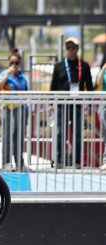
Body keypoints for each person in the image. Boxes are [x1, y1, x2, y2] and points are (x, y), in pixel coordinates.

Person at [50, 37, 93, 168]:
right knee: (60, 133)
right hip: (61, 105)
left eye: (73, 47)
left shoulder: (84, 65)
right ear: (65, 49)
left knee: (78, 134)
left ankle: (78, 161)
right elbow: (53, 86)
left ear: (78, 49)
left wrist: (89, 105)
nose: (71, 50)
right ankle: (59, 161)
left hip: (78, 105)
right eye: (68, 48)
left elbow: (89, 86)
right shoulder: (59, 66)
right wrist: (52, 103)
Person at [0, 48, 29, 172]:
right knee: (8, 137)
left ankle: (20, 163)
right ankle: (6, 163)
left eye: (16, 63)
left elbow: (26, 92)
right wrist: (8, 74)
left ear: (20, 64)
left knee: (19, 138)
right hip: (8, 110)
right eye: (11, 63)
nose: (14, 65)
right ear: (8, 63)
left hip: (21, 110)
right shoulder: (4, 75)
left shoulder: (23, 77)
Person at [96, 58, 106, 171]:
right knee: (105, 133)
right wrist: (103, 68)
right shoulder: (104, 70)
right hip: (104, 103)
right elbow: (98, 83)